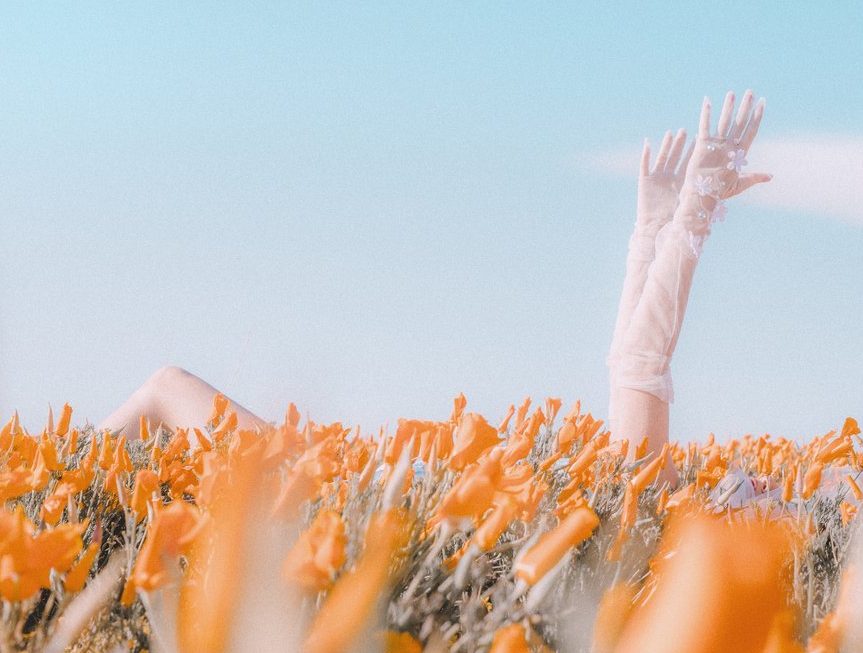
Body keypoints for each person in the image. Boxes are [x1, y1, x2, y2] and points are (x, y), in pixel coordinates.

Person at [99, 91, 771, 482]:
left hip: (349, 497)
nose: (764, 482)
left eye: (762, 494)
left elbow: (640, 366)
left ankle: (45, 505)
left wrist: (687, 221)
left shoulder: (650, 502)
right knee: (164, 391)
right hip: (368, 485)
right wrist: (654, 232)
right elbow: (629, 366)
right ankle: (55, 502)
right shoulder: (648, 499)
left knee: (166, 388)